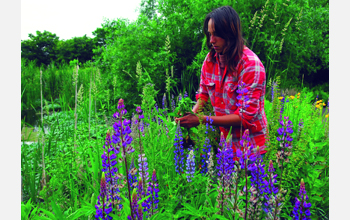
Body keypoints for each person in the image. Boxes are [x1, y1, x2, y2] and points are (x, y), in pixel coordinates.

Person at [175, 6, 268, 157]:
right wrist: (188, 117)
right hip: (226, 149)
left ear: (230, 33)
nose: (211, 40)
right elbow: (203, 95)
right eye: (210, 34)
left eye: (216, 34)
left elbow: (244, 117)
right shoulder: (210, 61)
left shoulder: (250, 65)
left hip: (252, 150)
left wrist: (201, 119)